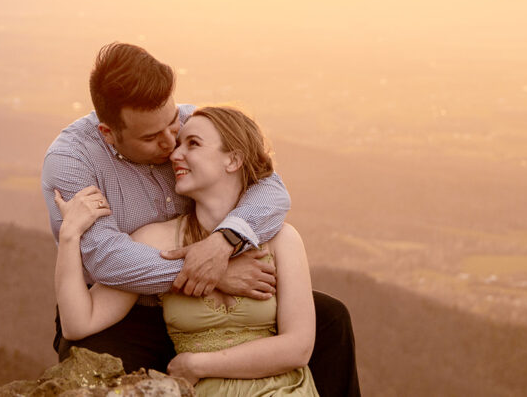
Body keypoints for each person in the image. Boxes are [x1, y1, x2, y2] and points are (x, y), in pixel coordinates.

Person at [42, 43, 360, 395]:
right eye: (151, 137)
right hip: (126, 307)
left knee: (332, 319)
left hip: (212, 292)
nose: (170, 145)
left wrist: (224, 243)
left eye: (173, 124)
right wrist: (212, 272)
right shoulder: (72, 161)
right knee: (89, 370)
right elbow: (106, 258)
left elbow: (270, 189)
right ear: (109, 133)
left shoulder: (195, 124)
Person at [56, 106, 318, 395]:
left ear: (233, 160)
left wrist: (198, 365)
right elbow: (79, 322)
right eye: (179, 144)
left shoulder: (282, 239)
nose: (175, 154)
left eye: (192, 144)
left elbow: (298, 348)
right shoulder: (158, 239)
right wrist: (70, 235)